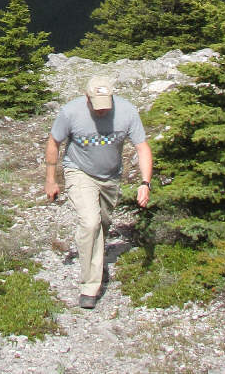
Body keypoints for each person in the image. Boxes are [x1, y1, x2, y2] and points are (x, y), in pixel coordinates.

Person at [44, 75, 152, 309]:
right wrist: (51, 180)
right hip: (79, 171)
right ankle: (90, 286)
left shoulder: (127, 112)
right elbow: (54, 142)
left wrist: (145, 183)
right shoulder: (70, 112)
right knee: (90, 223)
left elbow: (142, 148)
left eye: (106, 105)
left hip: (111, 176)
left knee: (102, 223)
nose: (101, 111)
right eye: (96, 106)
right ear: (87, 98)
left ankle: (96, 257)